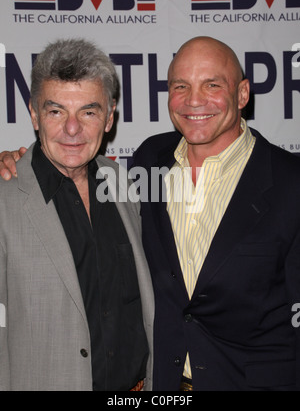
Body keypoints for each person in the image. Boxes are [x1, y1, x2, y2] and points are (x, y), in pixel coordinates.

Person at [2, 36, 300, 391]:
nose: (194, 100)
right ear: (35, 114)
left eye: (212, 85)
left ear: (243, 94)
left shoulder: (290, 182)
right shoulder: (148, 163)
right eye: (180, 86)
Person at [0, 38, 154, 391]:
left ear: (109, 117)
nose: (72, 129)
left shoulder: (125, 184)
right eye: (56, 111)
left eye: (88, 111)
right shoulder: (5, 196)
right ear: (34, 115)